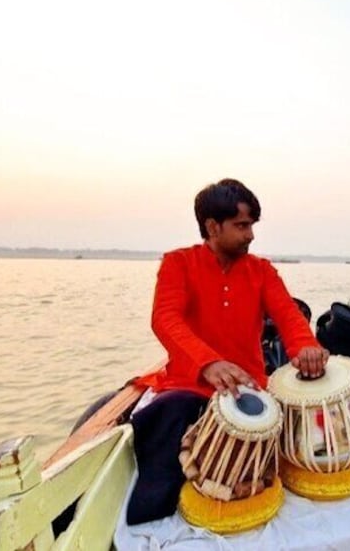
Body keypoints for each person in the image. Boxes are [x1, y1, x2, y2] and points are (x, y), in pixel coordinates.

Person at [126, 178, 329, 524]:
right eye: (242, 225)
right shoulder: (179, 263)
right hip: (189, 385)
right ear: (212, 226)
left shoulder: (262, 271)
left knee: (312, 416)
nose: (250, 235)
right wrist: (207, 363)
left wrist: (307, 347)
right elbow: (165, 319)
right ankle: (155, 514)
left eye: (251, 226)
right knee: (167, 414)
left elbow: (288, 316)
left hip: (250, 388)